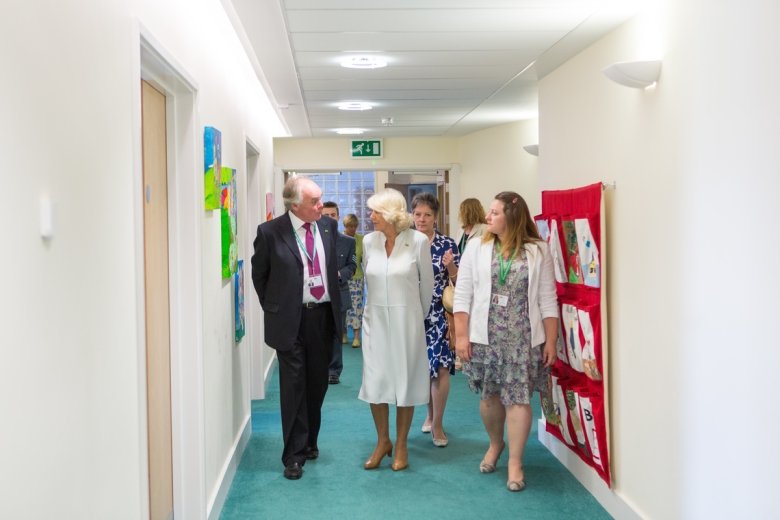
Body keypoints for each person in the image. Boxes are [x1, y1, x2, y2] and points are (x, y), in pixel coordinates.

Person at [453, 191, 558, 492]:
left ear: (512, 216)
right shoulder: (476, 246)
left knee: (519, 398)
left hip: (523, 338)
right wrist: (461, 336)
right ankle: (496, 443)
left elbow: (548, 300)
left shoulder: (538, 250)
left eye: (494, 213)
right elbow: (463, 294)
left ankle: (515, 461)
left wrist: (550, 341)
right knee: (490, 398)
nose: (488, 218)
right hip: (486, 335)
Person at [250, 176, 343, 481]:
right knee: (293, 387)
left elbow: (331, 269)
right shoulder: (270, 232)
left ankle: (310, 441)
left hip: (322, 317)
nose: (321, 206)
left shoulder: (328, 228)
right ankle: (293, 455)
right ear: (295, 205)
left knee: (317, 384)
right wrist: (276, 308)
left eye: (321, 200)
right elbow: (260, 276)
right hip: (290, 320)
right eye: (314, 202)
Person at [359, 188, 434, 471]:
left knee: (404, 381)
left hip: (407, 322)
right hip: (375, 321)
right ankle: (383, 441)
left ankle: (401, 443)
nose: (371, 216)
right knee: (376, 381)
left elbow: (426, 286)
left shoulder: (417, 242)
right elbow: (369, 281)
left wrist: (416, 318)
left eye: (376, 211)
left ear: (391, 214)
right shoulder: (369, 242)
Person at [410, 192, 460, 447]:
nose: (422, 219)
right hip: (411, 312)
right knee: (422, 368)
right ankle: (428, 415)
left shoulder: (447, 243)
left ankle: (438, 423)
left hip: (439, 313)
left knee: (440, 366)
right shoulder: (403, 241)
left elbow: (458, 282)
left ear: (436, 217)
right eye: (418, 214)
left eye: (427, 215)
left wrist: (451, 267)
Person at [321, 201, 357, 385]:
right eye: (325, 215)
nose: (328, 219)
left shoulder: (348, 242)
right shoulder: (311, 239)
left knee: (336, 333)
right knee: (317, 333)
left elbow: (352, 265)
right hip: (315, 295)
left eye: (332, 215)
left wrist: (340, 274)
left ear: (338, 216)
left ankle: (333, 370)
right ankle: (318, 369)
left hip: (339, 293)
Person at [342, 213, 365, 348]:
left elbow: (364, 258)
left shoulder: (361, 240)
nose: (353, 229)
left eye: (355, 226)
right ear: (345, 226)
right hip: (342, 278)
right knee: (344, 307)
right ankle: (344, 333)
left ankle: (356, 336)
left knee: (356, 307)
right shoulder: (339, 238)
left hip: (357, 278)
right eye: (350, 226)